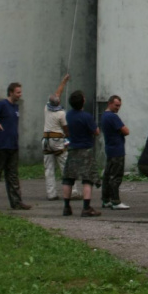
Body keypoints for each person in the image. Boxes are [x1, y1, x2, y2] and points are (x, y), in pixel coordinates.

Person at [61, 90, 100, 218]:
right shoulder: (86, 117)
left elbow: (65, 130)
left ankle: (66, 207)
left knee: (68, 178)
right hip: (85, 150)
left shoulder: (68, 116)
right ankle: (86, 207)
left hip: (72, 149)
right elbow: (96, 131)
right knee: (87, 179)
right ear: (83, 101)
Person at [42, 72, 71, 201]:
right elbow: (66, 129)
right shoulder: (61, 113)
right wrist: (69, 137)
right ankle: (72, 191)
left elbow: (57, 93)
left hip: (45, 140)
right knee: (65, 165)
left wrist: (63, 82)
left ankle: (51, 193)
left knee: (49, 168)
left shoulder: (46, 108)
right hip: (57, 139)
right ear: (58, 103)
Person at [100, 94, 130, 210]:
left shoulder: (104, 116)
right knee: (116, 176)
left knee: (107, 175)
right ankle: (115, 201)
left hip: (109, 148)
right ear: (110, 103)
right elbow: (126, 131)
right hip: (117, 150)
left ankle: (106, 199)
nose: (118, 108)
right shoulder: (113, 117)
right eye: (116, 105)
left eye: (119, 106)